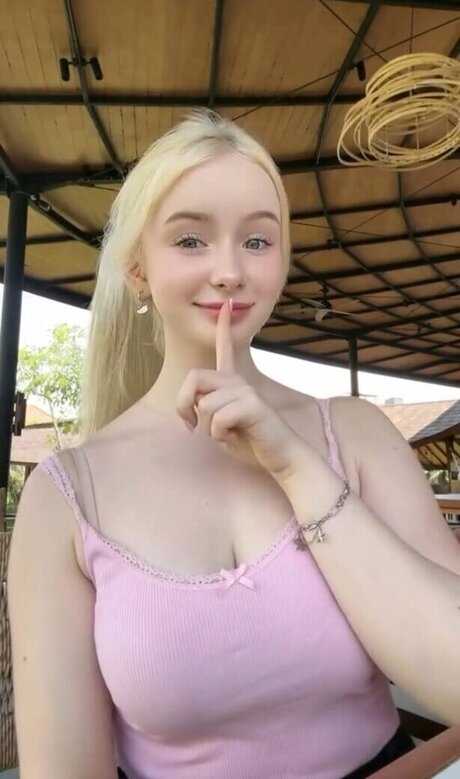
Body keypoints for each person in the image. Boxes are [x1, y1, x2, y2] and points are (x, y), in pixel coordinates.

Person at [8, 110, 460, 779]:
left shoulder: (356, 434)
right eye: (191, 240)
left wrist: (296, 467)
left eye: (257, 240)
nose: (229, 270)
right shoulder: (67, 497)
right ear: (137, 268)